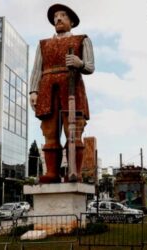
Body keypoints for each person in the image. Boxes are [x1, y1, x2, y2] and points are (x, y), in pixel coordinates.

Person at [29, 4, 95, 183]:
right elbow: (37, 69)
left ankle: (75, 172)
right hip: (47, 88)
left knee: (73, 131)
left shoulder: (82, 40)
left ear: (71, 22)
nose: (58, 18)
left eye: (63, 15)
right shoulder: (43, 44)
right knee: (49, 131)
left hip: (72, 87)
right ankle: (52, 172)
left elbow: (90, 67)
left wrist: (78, 63)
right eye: (56, 16)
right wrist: (33, 91)